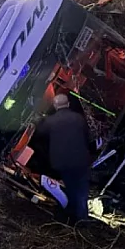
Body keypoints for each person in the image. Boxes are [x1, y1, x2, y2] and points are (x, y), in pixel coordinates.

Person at [34, 93, 94, 223]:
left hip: (62, 162)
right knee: (81, 190)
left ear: (55, 106)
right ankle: (81, 217)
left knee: (71, 188)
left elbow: (38, 134)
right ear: (68, 104)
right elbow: (88, 138)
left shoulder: (50, 121)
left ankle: (72, 216)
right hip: (80, 160)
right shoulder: (79, 118)